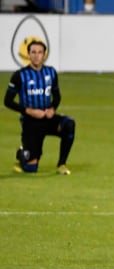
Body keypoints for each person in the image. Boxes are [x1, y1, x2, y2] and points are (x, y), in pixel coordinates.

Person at [4, 39, 75, 175]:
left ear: (44, 55)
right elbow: (7, 101)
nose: (36, 55)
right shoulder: (19, 76)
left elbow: (57, 95)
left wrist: (52, 108)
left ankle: (62, 164)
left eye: (40, 52)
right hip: (30, 122)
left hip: (47, 118)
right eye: (33, 52)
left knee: (69, 124)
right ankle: (22, 154)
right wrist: (28, 111)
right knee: (31, 169)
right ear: (28, 55)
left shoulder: (51, 72)